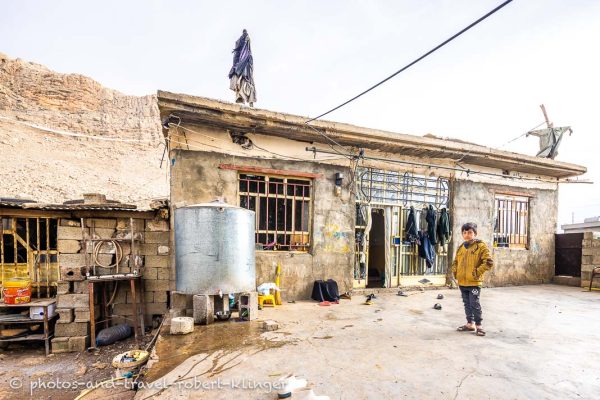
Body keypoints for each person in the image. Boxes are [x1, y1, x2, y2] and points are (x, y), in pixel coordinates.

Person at [451, 222, 494, 336]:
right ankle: (470, 324)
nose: (467, 235)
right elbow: (455, 262)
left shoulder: (481, 246)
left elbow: (488, 262)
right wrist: (455, 272)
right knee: (466, 303)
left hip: (474, 282)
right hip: (462, 282)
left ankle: (479, 326)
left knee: (474, 303)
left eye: (470, 232)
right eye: (464, 232)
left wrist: (476, 272)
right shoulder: (461, 247)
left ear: (475, 233)